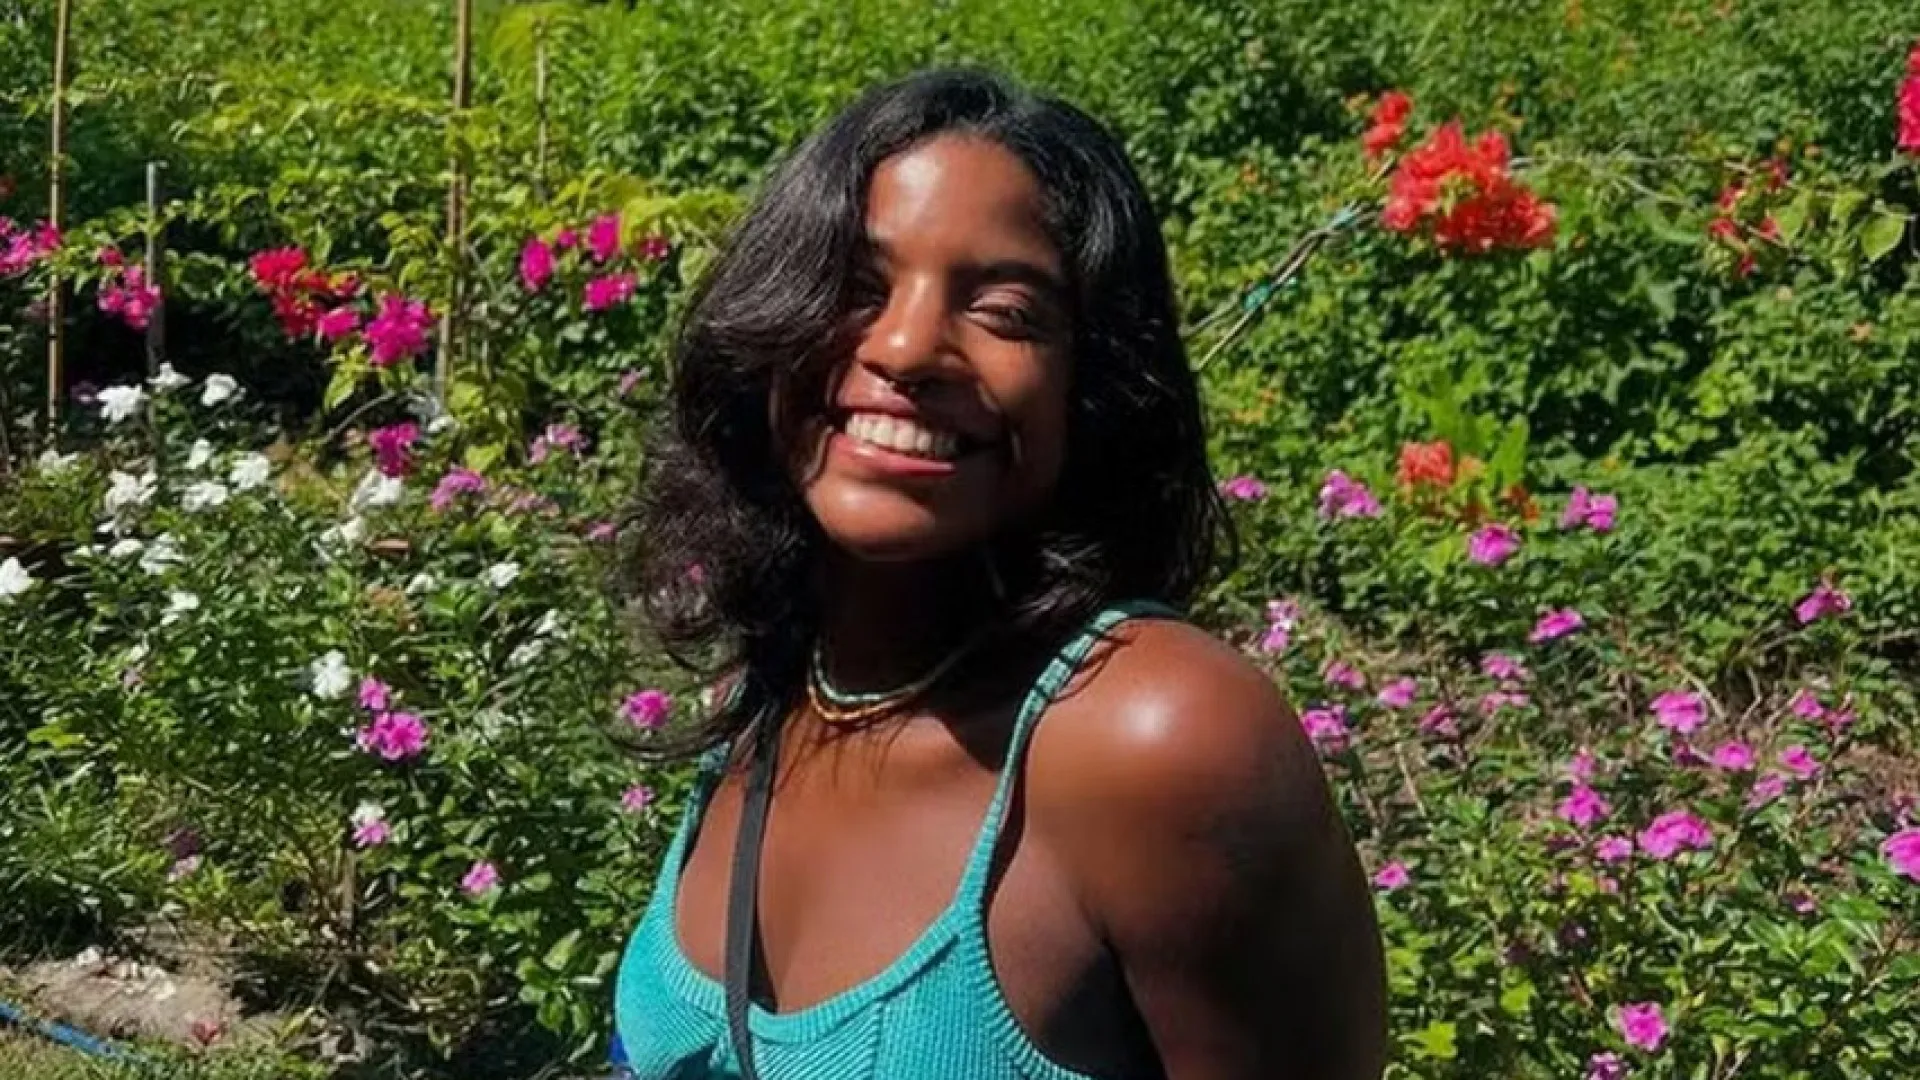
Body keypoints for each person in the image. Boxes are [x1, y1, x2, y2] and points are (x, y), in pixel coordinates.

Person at [611, 68, 1386, 1080]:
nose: (905, 348)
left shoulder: (1155, 741)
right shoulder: (779, 688)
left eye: (1007, 312)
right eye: (856, 286)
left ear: (1094, 388)